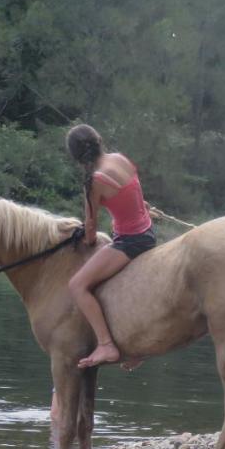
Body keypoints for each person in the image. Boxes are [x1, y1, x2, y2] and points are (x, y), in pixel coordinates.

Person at [66, 124, 156, 369]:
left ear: (76, 156)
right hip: (148, 232)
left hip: (131, 241)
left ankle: (106, 345)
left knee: (77, 285)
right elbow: (134, 194)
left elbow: (91, 229)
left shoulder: (95, 180)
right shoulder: (119, 158)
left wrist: (86, 240)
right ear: (99, 140)